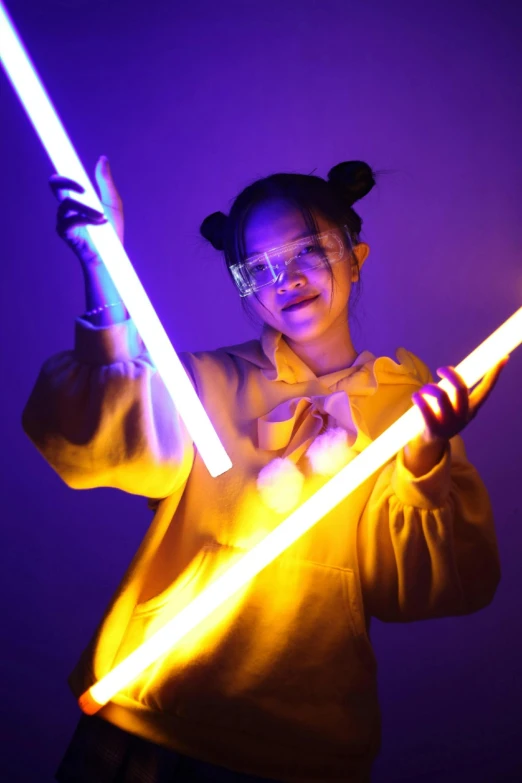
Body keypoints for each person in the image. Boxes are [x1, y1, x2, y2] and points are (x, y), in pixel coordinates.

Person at [22, 157, 508, 783]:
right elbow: (96, 443)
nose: (287, 278)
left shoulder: (407, 408)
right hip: (148, 717)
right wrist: (103, 270)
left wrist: (425, 457)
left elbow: (419, 589)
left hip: (303, 745)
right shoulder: (204, 383)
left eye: (310, 250)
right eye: (259, 268)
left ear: (356, 256)